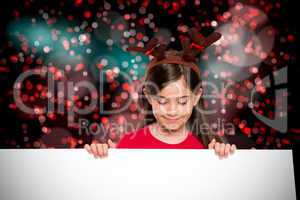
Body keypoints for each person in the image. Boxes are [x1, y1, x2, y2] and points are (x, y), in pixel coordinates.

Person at [84, 28, 237, 159]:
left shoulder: (209, 148)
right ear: (149, 97)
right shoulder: (129, 145)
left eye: (182, 101)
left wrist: (222, 160)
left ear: (196, 96)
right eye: (163, 101)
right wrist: (101, 159)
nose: (172, 111)